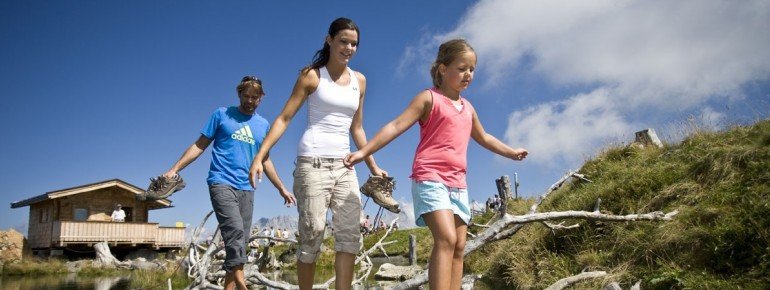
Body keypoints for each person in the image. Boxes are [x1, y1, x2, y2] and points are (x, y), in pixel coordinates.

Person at [344, 39, 528, 290]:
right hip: (430, 178)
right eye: (462, 68)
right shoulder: (428, 98)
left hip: (458, 184)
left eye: (472, 69)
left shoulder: (468, 108)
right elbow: (395, 126)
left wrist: (511, 152)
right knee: (446, 239)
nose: (468, 74)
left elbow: (484, 137)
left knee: (459, 246)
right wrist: (363, 152)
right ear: (443, 69)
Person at [248, 17, 387, 290]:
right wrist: (260, 156)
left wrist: (373, 165)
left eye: (354, 44)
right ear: (329, 40)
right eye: (343, 41)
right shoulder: (312, 75)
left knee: (349, 237)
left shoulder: (360, 81)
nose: (349, 48)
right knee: (312, 234)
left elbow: (357, 128)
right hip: (312, 164)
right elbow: (284, 118)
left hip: (345, 166)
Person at [161, 76, 296, 290]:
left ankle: (231, 284)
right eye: (246, 96)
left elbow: (265, 160)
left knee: (240, 243)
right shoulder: (222, 115)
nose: (250, 101)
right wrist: (174, 169)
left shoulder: (263, 125)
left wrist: (281, 188)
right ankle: (241, 276)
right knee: (235, 231)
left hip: (247, 188)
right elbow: (199, 145)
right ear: (239, 94)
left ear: (261, 98)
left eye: (255, 97)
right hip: (221, 182)